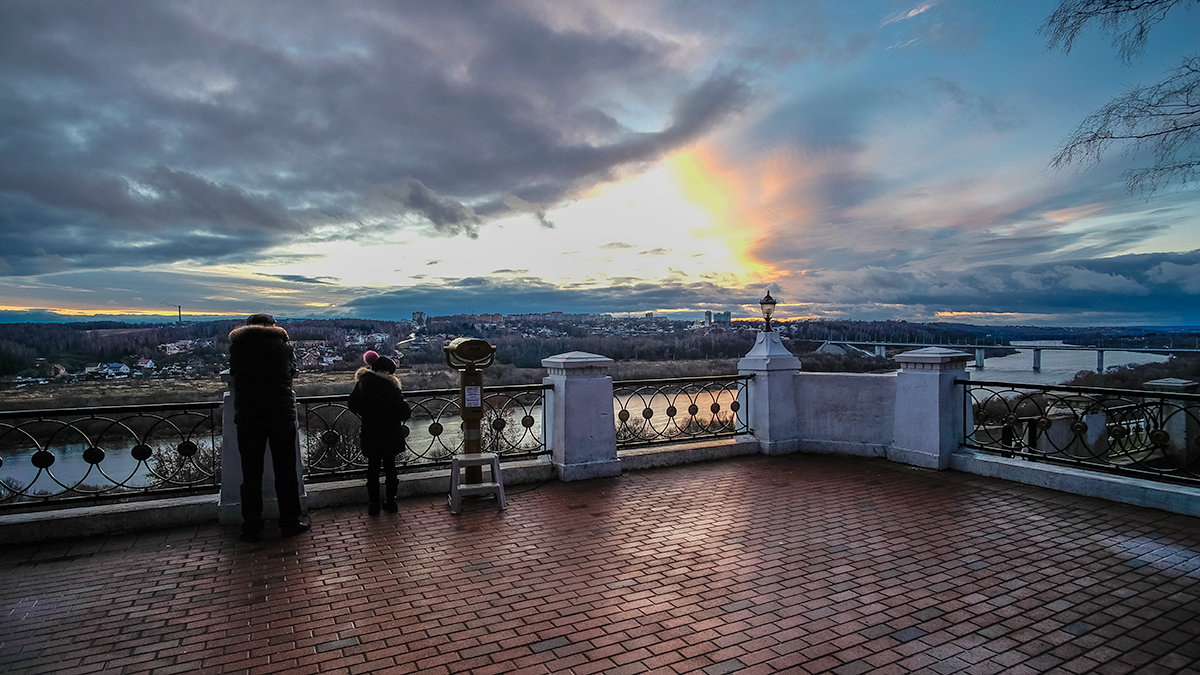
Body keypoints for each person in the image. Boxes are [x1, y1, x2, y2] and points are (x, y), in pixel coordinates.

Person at [228, 313, 310, 541]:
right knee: (286, 470)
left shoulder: (238, 347)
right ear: (272, 327)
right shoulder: (283, 347)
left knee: (250, 473)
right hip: (280, 414)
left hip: (249, 416)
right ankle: (290, 521)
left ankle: (252, 525)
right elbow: (290, 372)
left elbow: (235, 374)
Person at [348, 350, 411, 515]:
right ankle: (391, 502)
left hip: (371, 432)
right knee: (390, 468)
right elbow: (405, 413)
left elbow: (352, 405)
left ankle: (373, 504)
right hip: (390, 433)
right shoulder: (391, 388)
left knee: (372, 468)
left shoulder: (363, 384)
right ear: (390, 372)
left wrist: (367, 412)